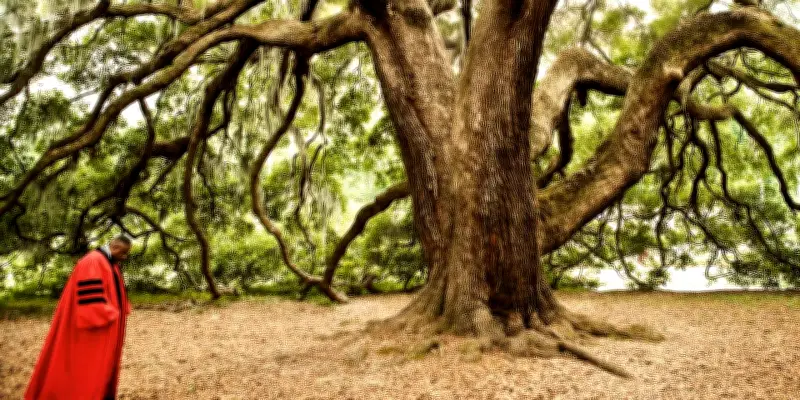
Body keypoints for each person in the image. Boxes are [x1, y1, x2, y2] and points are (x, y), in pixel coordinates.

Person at [25, 235, 133, 400]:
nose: (125, 257)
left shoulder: (110, 264)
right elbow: (91, 302)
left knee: (102, 370)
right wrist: (111, 313)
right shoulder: (93, 261)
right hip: (91, 331)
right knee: (83, 369)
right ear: (115, 248)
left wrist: (120, 310)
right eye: (124, 253)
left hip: (109, 328)